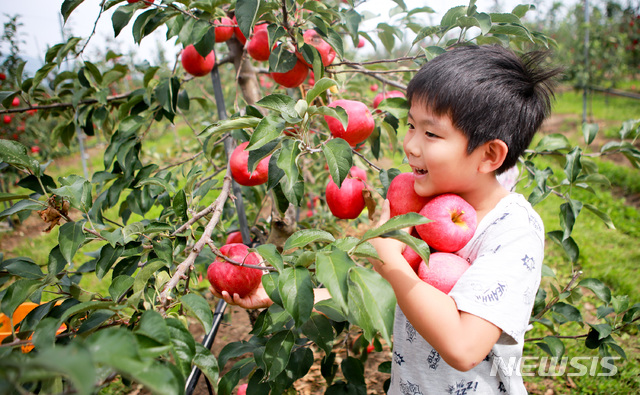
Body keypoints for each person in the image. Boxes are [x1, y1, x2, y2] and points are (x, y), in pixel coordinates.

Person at [212, 45, 561, 394]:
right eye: (411, 125)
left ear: (489, 155)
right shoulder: (426, 208)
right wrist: (281, 293)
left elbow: (465, 347)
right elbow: (381, 290)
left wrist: (392, 261)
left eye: (431, 133)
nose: (409, 144)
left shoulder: (513, 230)